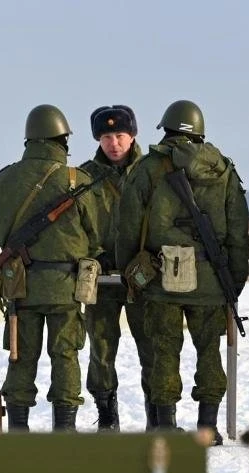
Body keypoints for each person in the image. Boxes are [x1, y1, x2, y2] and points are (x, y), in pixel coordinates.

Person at [115, 99, 249, 445]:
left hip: (162, 279)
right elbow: (238, 231)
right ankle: (208, 427)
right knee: (210, 353)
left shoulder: (146, 169)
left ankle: (164, 424)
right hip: (211, 278)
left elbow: (127, 227)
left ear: (167, 128)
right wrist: (233, 281)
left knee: (164, 352)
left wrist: (132, 273)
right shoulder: (223, 169)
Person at [0, 104, 102, 432]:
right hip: (66, 285)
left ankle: (19, 428)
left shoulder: (6, 178)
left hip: (19, 284)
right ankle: (65, 429)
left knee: (21, 355)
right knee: (66, 355)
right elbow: (96, 236)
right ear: (62, 140)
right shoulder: (76, 180)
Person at [79, 105, 155, 431]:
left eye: (120, 135)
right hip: (101, 277)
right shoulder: (84, 177)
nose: (114, 143)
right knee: (101, 347)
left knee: (152, 347)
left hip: (144, 276)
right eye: (106, 137)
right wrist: (94, 256)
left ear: (133, 135)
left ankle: (157, 416)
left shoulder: (152, 172)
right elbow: (75, 226)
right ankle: (107, 415)